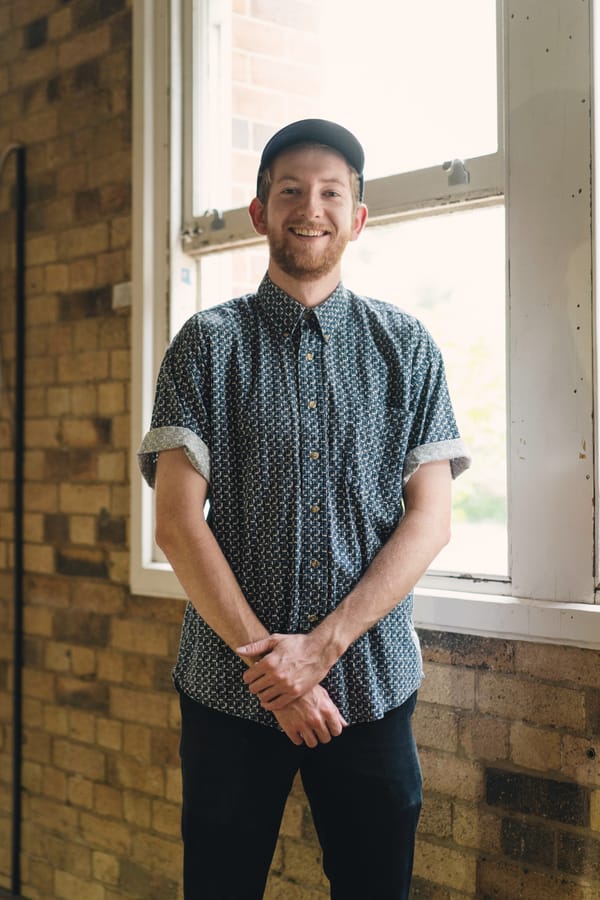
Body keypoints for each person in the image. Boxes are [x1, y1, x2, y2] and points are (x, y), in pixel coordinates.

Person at [138, 118, 471, 900]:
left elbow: (431, 520)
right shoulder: (206, 345)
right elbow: (178, 525)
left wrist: (320, 650)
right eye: (290, 191)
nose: (310, 207)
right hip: (230, 693)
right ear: (260, 211)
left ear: (357, 217)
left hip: (371, 686)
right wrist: (277, 671)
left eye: (331, 193)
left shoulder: (408, 346)